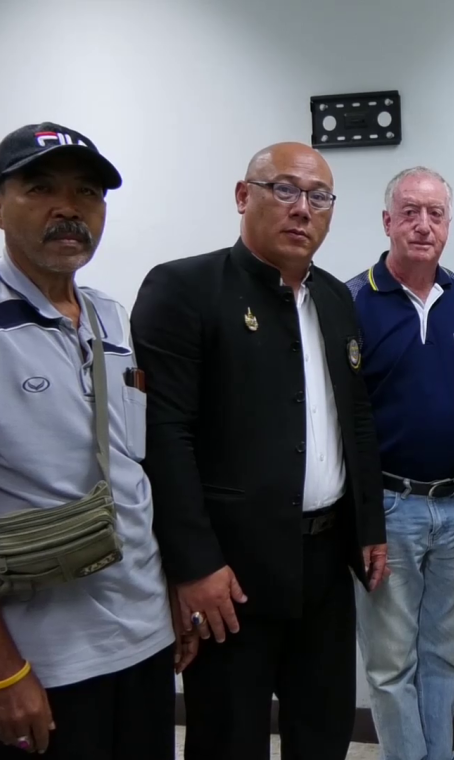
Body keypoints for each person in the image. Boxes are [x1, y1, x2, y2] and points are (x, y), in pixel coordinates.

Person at [131, 142, 387, 760]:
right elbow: (165, 435)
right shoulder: (184, 289)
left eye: (319, 197)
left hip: (326, 561)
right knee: (229, 738)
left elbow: (355, 419)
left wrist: (369, 526)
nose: (303, 209)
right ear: (244, 196)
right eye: (285, 189)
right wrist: (194, 565)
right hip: (230, 573)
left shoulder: (335, 299)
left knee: (323, 731)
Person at [0, 122, 191, 760]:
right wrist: (1, 668)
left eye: (87, 193)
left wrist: (170, 593)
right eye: (41, 188)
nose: (68, 208)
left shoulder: (110, 316)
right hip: (43, 660)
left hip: (144, 639)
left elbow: (131, 471)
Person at [348, 167, 454, 760]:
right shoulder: (352, 301)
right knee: (390, 665)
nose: (423, 225)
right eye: (410, 212)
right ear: (388, 221)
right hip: (388, 509)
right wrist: (363, 520)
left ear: (449, 224)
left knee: (446, 656)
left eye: (435, 214)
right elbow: (342, 420)